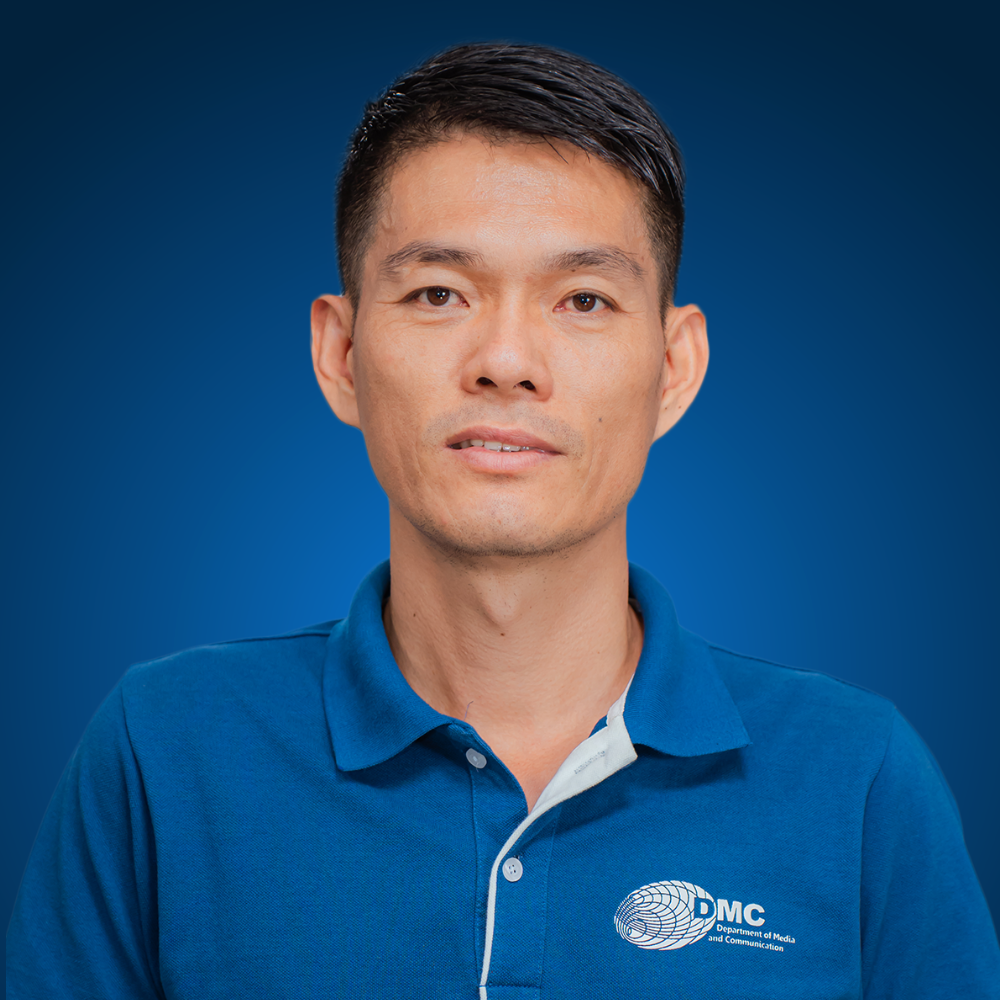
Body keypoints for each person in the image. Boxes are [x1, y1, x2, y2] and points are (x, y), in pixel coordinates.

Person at [7, 41, 999, 999]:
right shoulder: (164, 748)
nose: (507, 361)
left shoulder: (858, 776)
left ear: (673, 368)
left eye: (584, 299)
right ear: (341, 354)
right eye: (439, 292)